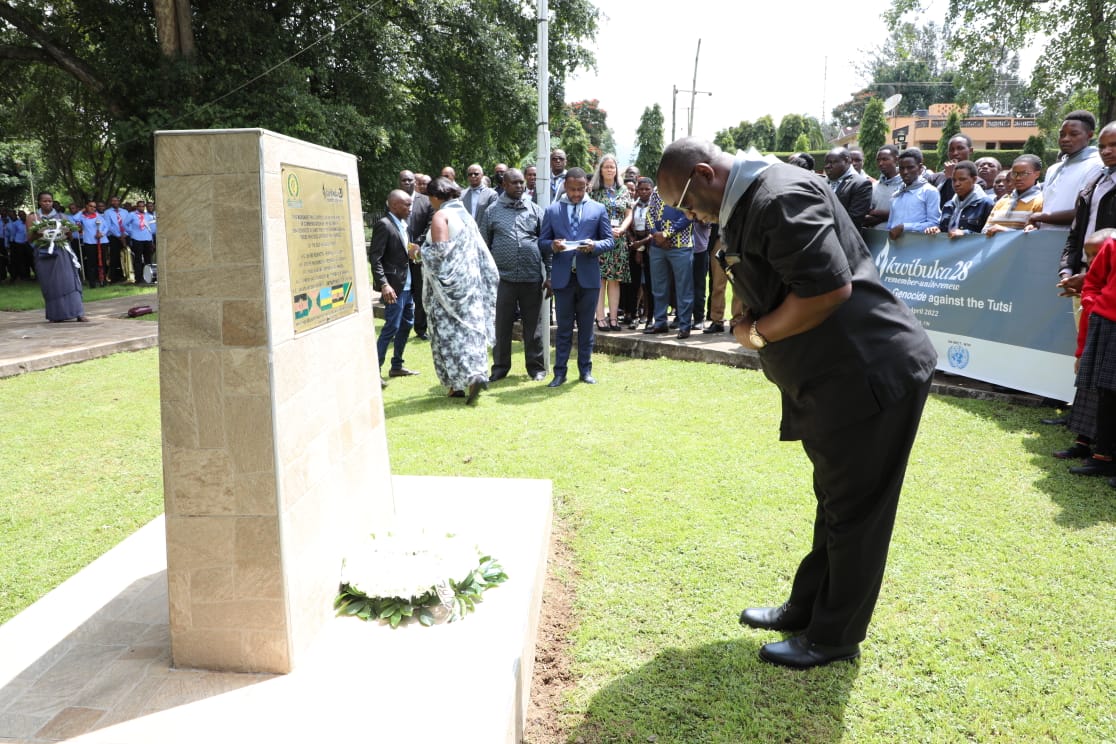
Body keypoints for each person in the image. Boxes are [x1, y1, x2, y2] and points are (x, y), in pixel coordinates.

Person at [657, 137, 936, 669]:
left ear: (704, 173)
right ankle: (807, 607)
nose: (685, 213)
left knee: (857, 514)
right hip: (832, 380)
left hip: (866, 374)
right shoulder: (748, 199)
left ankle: (834, 636)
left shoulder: (778, 195)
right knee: (834, 502)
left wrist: (756, 334)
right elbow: (769, 270)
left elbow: (828, 290)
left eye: (683, 201)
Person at [417, 177, 499, 404]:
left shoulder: (441, 216)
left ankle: (460, 382)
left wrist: (418, 252)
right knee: (471, 333)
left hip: (447, 291)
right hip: (470, 287)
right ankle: (476, 375)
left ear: (434, 197)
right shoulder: (466, 217)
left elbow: (440, 253)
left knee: (449, 336)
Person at [538, 167, 615, 386]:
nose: (576, 194)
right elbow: (541, 242)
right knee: (563, 329)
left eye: (581, 189)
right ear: (565, 187)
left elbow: (609, 241)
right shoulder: (552, 211)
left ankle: (585, 370)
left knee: (585, 327)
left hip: (588, 278)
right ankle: (559, 373)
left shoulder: (598, 209)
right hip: (562, 279)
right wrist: (552, 245)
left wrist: (594, 246)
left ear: (587, 186)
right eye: (572, 189)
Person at [477, 168, 548, 381]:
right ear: (505, 185)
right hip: (502, 279)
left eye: (521, 183)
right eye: (514, 183)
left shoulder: (535, 210)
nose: (519, 186)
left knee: (533, 326)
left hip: (531, 276)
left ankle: (536, 368)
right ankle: (500, 368)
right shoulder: (492, 211)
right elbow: (483, 246)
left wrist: (550, 274)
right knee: (502, 326)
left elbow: (545, 245)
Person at [1066, 230, 1116, 480]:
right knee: (1105, 391)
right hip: (1107, 322)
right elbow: (1094, 280)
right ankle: (1102, 457)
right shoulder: (1113, 244)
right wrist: (1092, 302)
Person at [369, 189, 419, 388]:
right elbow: (375, 258)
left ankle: (396, 365)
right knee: (391, 327)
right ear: (393, 205)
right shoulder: (384, 225)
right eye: (406, 204)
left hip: (407, 286)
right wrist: (384, 284)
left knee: (407, 324)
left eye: (410, 204)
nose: (410, 207)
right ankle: (374, 371)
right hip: (394, 288)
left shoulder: (404, 225)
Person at [1028, 111, 1104, 231]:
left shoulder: (1097, 165)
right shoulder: (1053, 169)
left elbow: (1083, 211)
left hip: (1073, 242)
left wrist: (1039, 217)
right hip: (1044, 240)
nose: (1065, 139)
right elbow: (1047, 207)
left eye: (1074, 134)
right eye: (1062, 134)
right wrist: (1035, 223)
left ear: (1089, 135)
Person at [589, 154, 634, 331]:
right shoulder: (593, 190)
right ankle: (600, 318)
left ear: (616, 170)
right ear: (600, 170)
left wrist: (622, 228)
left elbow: (629, 213)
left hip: (618, 240)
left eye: (612, 167)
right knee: (600, 280)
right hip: (600, 241)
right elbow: (589, 215)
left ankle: (613, 319)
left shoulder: (623, 191)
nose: (609, 169)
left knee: (615, 281)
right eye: (606, 166)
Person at [26, 192, 86, 322]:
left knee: (70, 280)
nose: (47, 203)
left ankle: (78, 312)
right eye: (44, 201)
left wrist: (68, 231)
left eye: (50, 201)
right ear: (39, 202)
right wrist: (40, 232)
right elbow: (29, 239)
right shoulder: (33, 217)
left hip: (62, 252)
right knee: (50, 284)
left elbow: (70, 237)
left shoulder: (61, 216)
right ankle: (56, 315)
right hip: (43, 254)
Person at [644, 186, 695, 338]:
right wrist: (656, 235)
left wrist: (666, 234)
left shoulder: (687, 189)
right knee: (659, 287)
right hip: (657, 246)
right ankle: (660, 323)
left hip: (681, 246)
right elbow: (649, 215)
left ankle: (685, 326)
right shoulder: (656, 190)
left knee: (683, 288)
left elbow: (689, 215)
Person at [401, 169, 433, 341]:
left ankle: (421, 328)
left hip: (419, 254)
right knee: (401, 291)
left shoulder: (426, 201)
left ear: (415, 181)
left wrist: (416, 245)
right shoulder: (393, 199)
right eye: (403, 180)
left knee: (420, 292)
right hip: (399, 256)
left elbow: (430, 225)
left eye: (409, 180)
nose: (407, 183)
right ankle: (400, 326)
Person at [924, 161, 994, 237]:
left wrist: (965, 234)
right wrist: (936, 230)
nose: (957, 184)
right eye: (954, 180)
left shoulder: (986, 204)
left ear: (974, 180)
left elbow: (990, 235)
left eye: (962, 179)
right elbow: (944, 231)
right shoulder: (948, 205)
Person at [887, 148, 942, 239]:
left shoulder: (929, 191)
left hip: (917, 247)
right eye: (902, 168)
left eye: (910, 167)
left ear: (920, 168)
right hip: (896, 248)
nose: (905, 172)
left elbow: (934, 224)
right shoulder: (898, 191)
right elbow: (891, 224)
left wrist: (904, 227)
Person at [984, 155, 1043, 235]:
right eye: (1014, 174)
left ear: (1037, 174)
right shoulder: (1002, 201)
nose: (1018, 178)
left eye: (1024, 173)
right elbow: (985, 232)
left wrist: (1006, 232)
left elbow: (1039, 236)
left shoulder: (1041, 201)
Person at [823, 147, 873, 229]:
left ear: (846, 161)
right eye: (826, 163)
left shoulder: (860, 184)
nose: (828, 166)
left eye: (832, 162)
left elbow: (854, 219)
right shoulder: (823, 182)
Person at [864, 145, 903, 229]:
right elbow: (865, 218)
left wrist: (875, 213)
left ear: (897, 160)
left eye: (885, 159)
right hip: (876, 238)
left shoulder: (906, 186)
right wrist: (891, 215)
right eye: (878, 160)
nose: (881, 163)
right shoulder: (874, 187)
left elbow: (906, 215)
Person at [75, 199, 107, 287]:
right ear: (87, 207)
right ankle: (92, 283)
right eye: (90, 206)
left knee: (102, 262)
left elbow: (106, 226)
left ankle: (102, 281)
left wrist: (102, 233)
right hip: (90, 242)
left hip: (102, 241)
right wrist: (82, 210)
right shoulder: (83, 217)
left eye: (94, 207)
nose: (93, 208)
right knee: (91, 263)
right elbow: (75, 218)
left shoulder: (99, 216)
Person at [124, 200, 156, 283]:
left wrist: (151, 239)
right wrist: (131, 232)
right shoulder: (132, 215)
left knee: (148, 259)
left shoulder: (148, 216)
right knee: (138, 259)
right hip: (137, 239)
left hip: (147, 239)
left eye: (143, 206)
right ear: (137, 207)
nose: (142, 207)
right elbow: (124, 224)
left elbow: (151, 228)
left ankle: (149, 278)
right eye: (140, 206)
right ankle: (138, 278)